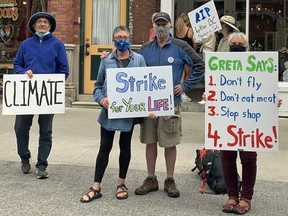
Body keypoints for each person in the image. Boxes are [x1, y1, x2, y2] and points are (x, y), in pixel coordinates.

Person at [134, 12, 205, 198]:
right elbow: (133, 69)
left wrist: (185, 86)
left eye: (164, 24)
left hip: (171, 103)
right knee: (150, 141)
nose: (161, 27)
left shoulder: (181, 47)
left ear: (170, 26)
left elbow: (200, 65)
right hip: (149, 104)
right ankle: (151, 178)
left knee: (169, 142)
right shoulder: (145, 48)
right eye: (158, 24)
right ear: (153, 26)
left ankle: (170, 179)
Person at [80, 25, 147, 203]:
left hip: (128, 113)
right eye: (118, 37)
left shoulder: (139, 60)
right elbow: (97, 86)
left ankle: (121, 183)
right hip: (109, 113)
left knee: (125, 147)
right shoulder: (106, 60)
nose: (122, 40)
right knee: (104, 147)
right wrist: (101, 100)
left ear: (130, 38)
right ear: (113, 40)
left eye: (125, 36)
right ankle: (96, 185)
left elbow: (145, 86)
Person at [13, 12, 69, 179]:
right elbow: (17, 64)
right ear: (34, 26)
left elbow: (63, 71)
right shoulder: (25, 45)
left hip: (47, 95)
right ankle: (24, 158)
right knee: (20, 127)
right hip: (27, 93)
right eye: (39, 22)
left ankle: (42, 164)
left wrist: (53, 82)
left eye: (45, 22)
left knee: (45, 130)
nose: (42, 24)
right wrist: (24, 72)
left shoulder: (57, 45)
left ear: (50, 26)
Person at [175, 12, 197, 102]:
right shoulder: (190, 30)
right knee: (187, 75)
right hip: (188, 56)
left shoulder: (177, 31)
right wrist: (194, 51)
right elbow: (194, 43)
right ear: (186, 21)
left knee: (181, 75)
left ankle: (179, 93)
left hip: (178, 55)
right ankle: (183, 92)